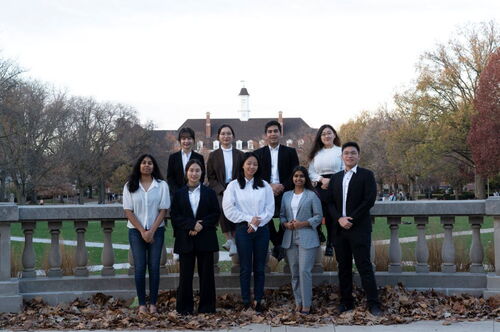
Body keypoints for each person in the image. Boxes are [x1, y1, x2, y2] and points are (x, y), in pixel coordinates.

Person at [327, 142, 382, 316]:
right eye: (346, 153)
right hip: (339, 230)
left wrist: (351, 219)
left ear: (358, 156)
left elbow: (369, 200)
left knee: (364, 266)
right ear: (342, 156)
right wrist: (339, 219)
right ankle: (346, 302)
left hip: (359, 229)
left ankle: (373, 303)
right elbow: (329, 202)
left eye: (353, 153)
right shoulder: (335, 178)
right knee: (343, 268)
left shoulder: (366, 175)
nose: (349, 156)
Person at [222, 152, 274, 312]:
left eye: (255, 164)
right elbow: (229, 209)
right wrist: (249, 219)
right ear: (243, 165)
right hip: (243, 230)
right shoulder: (233, 186)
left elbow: (269, 209)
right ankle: (246, 300)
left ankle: (258, 300)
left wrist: (257, 223)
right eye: (249, 163)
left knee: (259, 267)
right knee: (245, 267)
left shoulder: (264, 185)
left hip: (262, 230)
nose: (252, 167)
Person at [170, 159, 220, 315]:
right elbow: (175, 217)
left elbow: (215, 214)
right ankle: (184, 308)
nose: (194, 173)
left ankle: (207, 308)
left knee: (207, 277)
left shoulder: (210, 193)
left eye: (197, 170)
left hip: (206, 238)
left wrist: (201, 225)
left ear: (202, 173)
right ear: (186, 172)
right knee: (185, 276)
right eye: (191, 170)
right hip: (186, 239)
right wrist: (191, 225)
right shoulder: (178, 194)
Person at [122, 154, 170, 314]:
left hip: (157, 230)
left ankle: (153, 304)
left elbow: (164, 210)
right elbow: (128, 211)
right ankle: (142, 303)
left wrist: (152, 231)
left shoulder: (162, 185)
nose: (147, 165)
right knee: (140, 267)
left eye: (150, 163)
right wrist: (143, 231)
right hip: (136, 232)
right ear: (139, 166)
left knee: (155, 267)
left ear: (154, 166)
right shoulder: (130, 186)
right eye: (144, 163)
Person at [254, 120, 299, 261]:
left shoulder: (290, 152)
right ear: (265, 135)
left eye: (275, 131)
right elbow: (256, 174)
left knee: (287, 217)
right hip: (265, 192)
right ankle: (278, 243)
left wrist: (282, 186)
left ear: (280, 133)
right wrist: (270, 186)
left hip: (286, 191)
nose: (273, 134)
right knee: (264, 217)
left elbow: (295, 173)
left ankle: (280, 244)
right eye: (270, 131)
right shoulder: (258, 153)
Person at [280, 166, 323, 314]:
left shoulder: (312, 195)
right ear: (292, 178)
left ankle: (307, 304)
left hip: (307, 236)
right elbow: (282, 215)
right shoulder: (286, 196)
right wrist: (286, 224)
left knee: (304, 271)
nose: (298, 179)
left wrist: (303, 223)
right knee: (294, 272)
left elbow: (318, 216)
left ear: (306, 179)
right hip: (290, 237)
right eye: (296, 176)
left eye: (302, 176)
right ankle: (298, 302)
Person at [206, 124, 244, 256]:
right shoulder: (213, 155)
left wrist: (234, 187)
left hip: (237, 188)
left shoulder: (240, 155)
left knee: (236, 209)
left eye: (228, 134)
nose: (226, 136)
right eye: (223, 134)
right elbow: (211, 177)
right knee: (223, 207)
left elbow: (243, 174)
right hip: (220, 189)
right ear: (218, 137)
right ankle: (230, 239)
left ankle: (232, 241)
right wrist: (221, 189)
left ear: (233, 136)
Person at [307, 124, 343, 257]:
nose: (326, 136)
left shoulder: (341, 151)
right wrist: (322, 180)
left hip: (337, 183)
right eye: (323, 134)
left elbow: (345, 168)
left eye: (329, 133)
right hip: (319, 184)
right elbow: (310, 172)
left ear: (334, 135)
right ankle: (318, 232)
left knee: (330, 213)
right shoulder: (316, 153)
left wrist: (331, 181)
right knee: (313, 208)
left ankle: (330, 242)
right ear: (320, 137)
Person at [167, 127, 205, 197]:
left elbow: (201, 177)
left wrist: (193, 191)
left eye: (189, 138)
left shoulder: (199, 157)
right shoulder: (173, 157)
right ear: (179, 141)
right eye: (183, 139)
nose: (186, 141)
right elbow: (170, 178)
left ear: (193, 140)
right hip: (176, 195)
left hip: (194, 194)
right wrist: (178, 192)